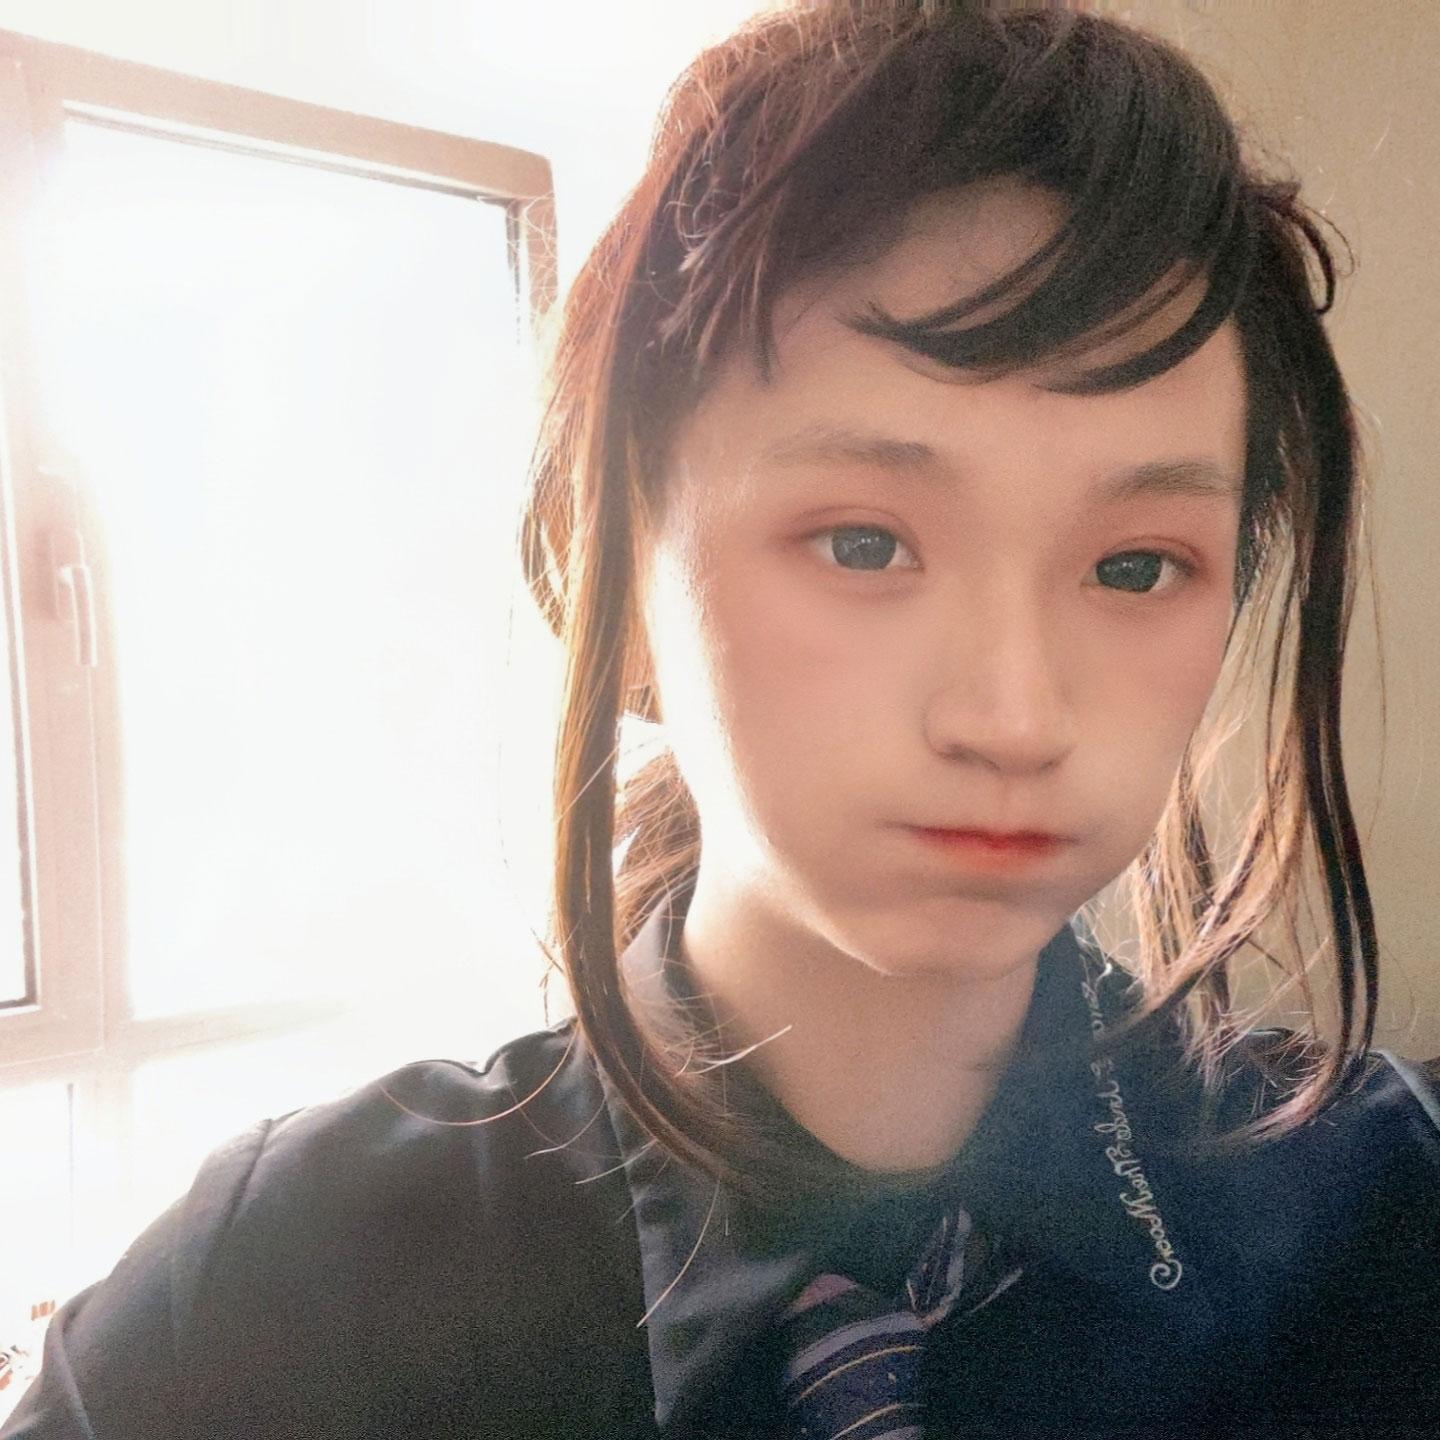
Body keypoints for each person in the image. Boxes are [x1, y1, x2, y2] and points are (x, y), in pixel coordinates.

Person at [6, 4, 1440, 1437]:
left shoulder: (1387, 1215)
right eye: (863, 544)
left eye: (1135, 568)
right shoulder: (270, 1298)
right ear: (612, 564)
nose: (1014, 715)